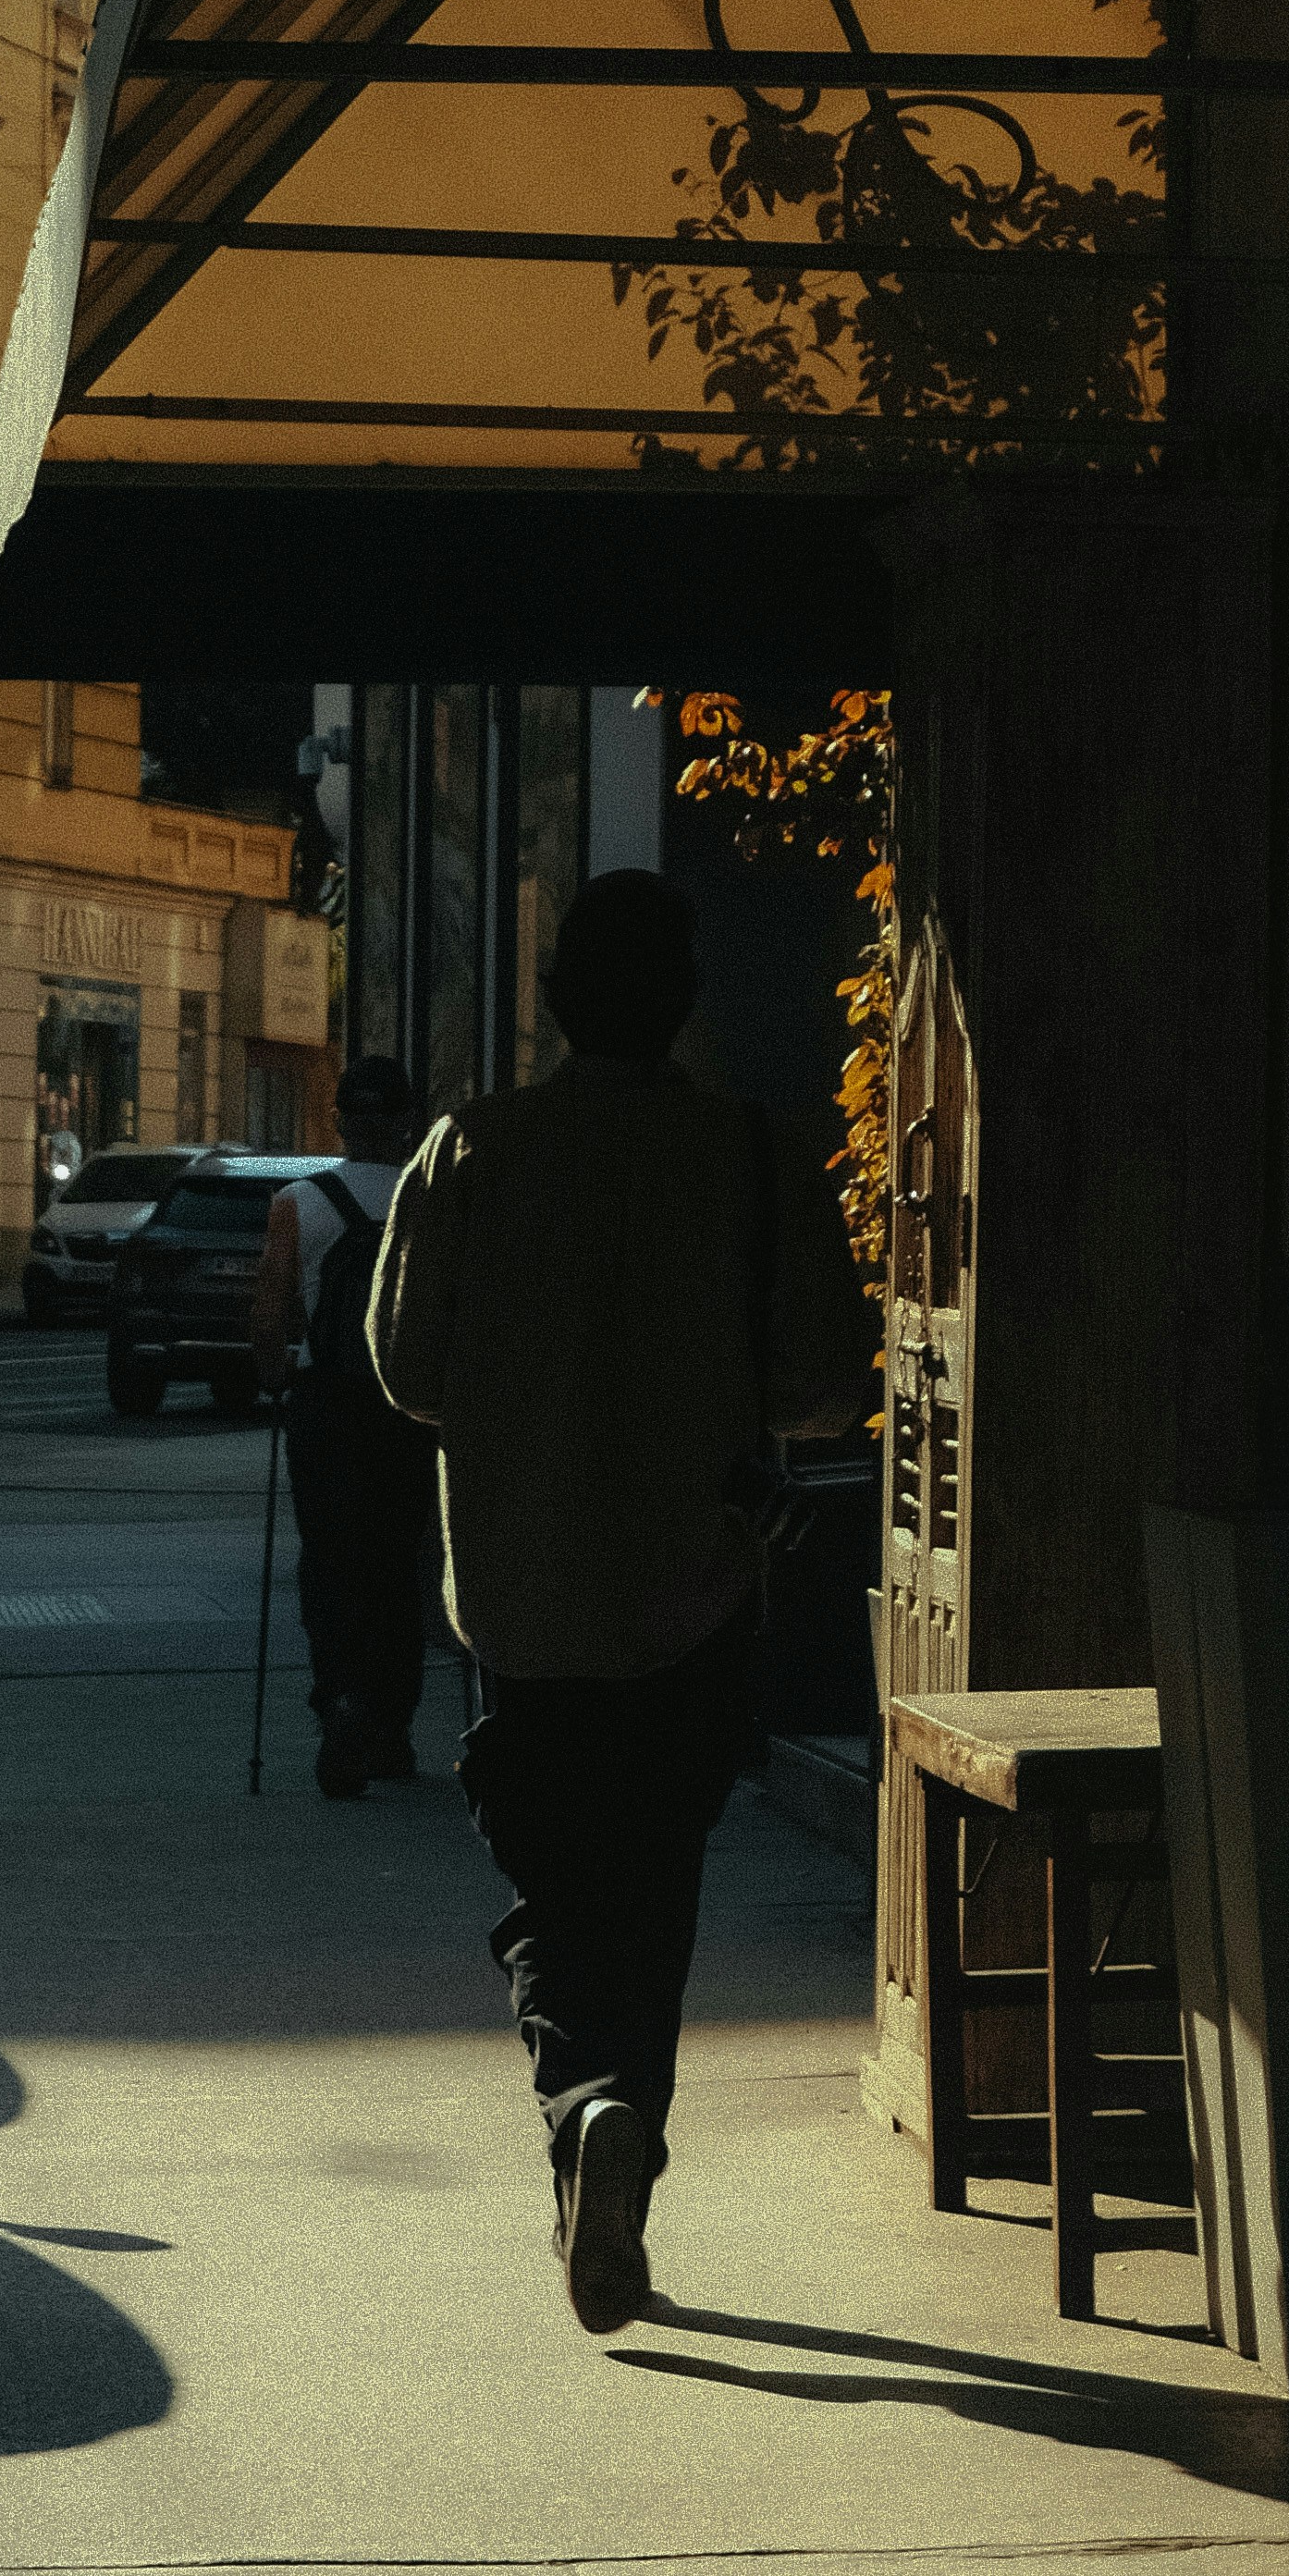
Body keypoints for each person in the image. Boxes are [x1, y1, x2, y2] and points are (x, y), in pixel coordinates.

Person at [368, 869, 870, 2337]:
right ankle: (615, 2126)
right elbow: (823, 1384)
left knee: (556, 1887)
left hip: (521, 1593)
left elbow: (403, 1366)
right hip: (690, 1589)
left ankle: (587, 2106)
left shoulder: (473, 1148)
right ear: (684, 1003)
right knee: (652, 1890)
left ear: (550, 1000)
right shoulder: (749, 1156)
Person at [252, 1054, 438, 1800]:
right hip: (409, 1408)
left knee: (331, 1559)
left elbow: (270, 1305)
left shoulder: (298, 1202)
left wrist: (276, 1376)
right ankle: (392, 1727)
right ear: (407, 1122)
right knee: (398, 1563)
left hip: (326, 1403)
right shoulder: (434, 1196)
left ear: (338, 1121)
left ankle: (342, 1701)